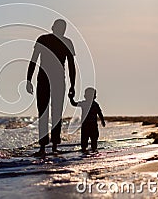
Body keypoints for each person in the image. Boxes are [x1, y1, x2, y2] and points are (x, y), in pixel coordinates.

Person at [26, 19, 76, 157]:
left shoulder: (67, 42)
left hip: (58, 80)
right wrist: (28, 79)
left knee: (55, 113)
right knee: (45, 112)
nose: (61, 30)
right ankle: (45, 147)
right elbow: (33, 60)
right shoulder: (43, 39)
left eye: (62, 28)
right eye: (59, 27)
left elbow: (71, 65)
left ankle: (52, 146)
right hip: (44, 79)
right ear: (53, 27)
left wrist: (73, 85)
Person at [69, 87, 105, 152]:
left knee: (94, 139)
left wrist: (102, 120)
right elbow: (74, 104)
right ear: (85, 96)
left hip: (92, 125)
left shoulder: (95, 104)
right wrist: (71, 98)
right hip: (86, 125)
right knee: (85, 139)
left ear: (94, 97)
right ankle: (85, 148)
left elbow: (100, 113)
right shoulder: (84, 103)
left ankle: (93, 149)